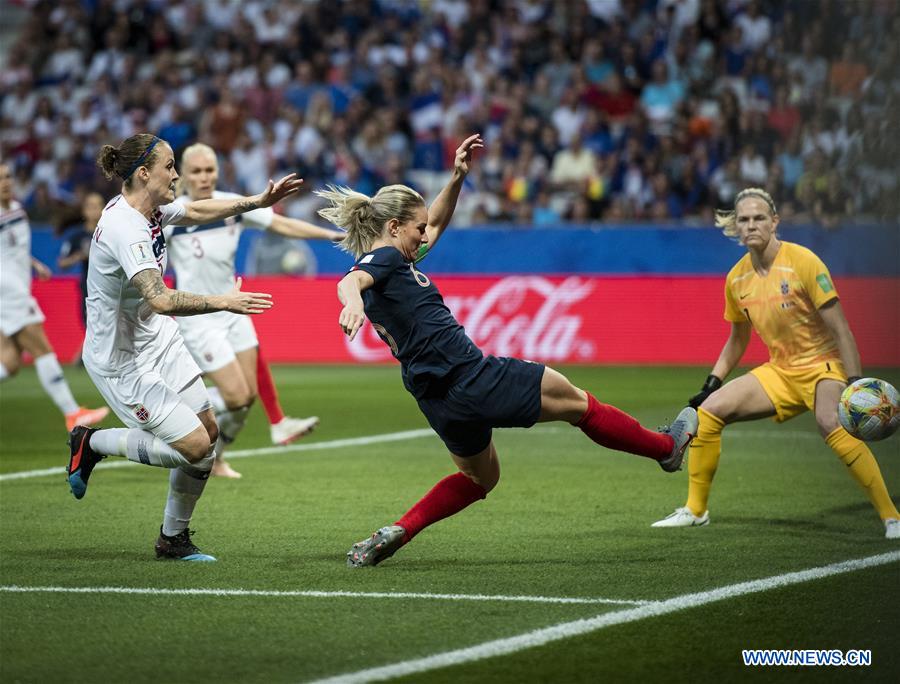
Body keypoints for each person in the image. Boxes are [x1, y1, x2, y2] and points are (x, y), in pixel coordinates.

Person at [317, 134, 699, 567]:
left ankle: (401, 529)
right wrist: (351, 303)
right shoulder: (383, 261)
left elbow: (436, 224)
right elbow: (351, 280)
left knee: (480, 478)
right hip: (471, 377)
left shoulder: (398, 262)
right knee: (578, 404)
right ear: (393, 227)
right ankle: (665, 448)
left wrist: (456, 179)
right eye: (416, 228)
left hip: (437, 400)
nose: (424, 235)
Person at [65, 133, 302, 561]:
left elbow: (194, 210)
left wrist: (256, 202)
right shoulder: (125, 228)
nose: (176, 175)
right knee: (193, 447)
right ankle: (91, 442)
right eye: (170, 166)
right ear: (144, 173)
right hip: (121, 360)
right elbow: (159, 297)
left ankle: (172, 538)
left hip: (156, 337)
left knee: (209, 433)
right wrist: (224, 301)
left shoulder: (150, 209)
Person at [652, 188, 899, 539]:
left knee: (829, 421)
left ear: (774, 222)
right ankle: (695, 510)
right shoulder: (737, 278)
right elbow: (737, 341)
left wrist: (854, 382)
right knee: (708, 413)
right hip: (780, 370)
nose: (751, 225)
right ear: (736, 227)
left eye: (759, 218)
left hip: (823, 365)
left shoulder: (803, 261)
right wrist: (711, 384)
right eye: (744, 220)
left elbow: (841, 329)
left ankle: (892, 518)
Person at [167, 142, 344, 478]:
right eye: (196, 171)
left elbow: (281, 225)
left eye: (209, 170)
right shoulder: (173, 214)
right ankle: (170, 407)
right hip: (199, 317)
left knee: (247, 398)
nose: (204, 177)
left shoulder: (233, 204)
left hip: (234, 308)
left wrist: (331, 236)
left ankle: (216, 459)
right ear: (183, 176)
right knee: (236, 397)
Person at [0, 162, 109, 431]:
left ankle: (73, 413)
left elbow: (12, 249)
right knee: (43, 349)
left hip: (19, 286)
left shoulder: (16, 209)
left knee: (10, 363)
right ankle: (72, 413)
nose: (6, 182)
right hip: (9, 292)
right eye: (0, 179)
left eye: (8, 176)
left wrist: (34, 264)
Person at [58, 191, 105, 361]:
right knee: (91, 324)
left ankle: (86, 355)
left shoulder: (110, 232)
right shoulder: (77, 236)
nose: (94, 210)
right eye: (90, 206)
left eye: (97, 206)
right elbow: (62, 263)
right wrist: (79, 256)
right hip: (88, 288)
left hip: (111, 286)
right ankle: (87, 355)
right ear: (84, 211)